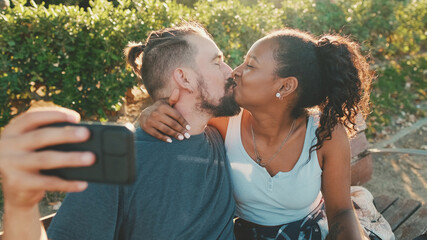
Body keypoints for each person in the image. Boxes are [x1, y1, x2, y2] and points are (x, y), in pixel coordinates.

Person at [0, 22, 241, 240]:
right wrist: (21, 206)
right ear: (184, 79)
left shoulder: (218, 136)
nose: (230, 70)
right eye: (216, 62)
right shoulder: (117, 160)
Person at [139, 28, 374, 240]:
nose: (235, 72)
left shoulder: (325, 134)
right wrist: (150, 112)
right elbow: (187, 111)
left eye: (250, 66)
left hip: (311, 233)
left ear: (285, 87)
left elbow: (341, 212)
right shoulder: (223, 122)